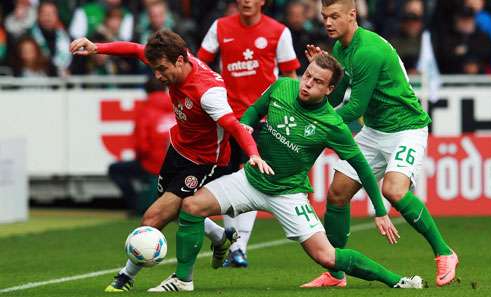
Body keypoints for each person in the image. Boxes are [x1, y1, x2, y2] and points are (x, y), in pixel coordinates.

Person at [145, 55, 423, 292]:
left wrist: (380, 209)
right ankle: (183, 280)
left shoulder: (332, 125)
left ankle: (398, 281)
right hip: (251, 179)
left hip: (288, 193)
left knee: (326, 256)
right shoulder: (282, 87)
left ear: (330, 90)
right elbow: (254, 110)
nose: (308, 84)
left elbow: (361, 166)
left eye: (317, 82)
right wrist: (247, 126)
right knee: (192, 206)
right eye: (308, 76)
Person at [69, 28, 273, 292]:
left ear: (180, 61)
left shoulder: (209, 93)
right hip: (178, 148)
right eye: (154, 68)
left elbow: (233, 126)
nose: (157, 75)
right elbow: (133, 49)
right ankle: (221, 236)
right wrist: (96, 47)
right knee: (174, 210)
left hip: (203, 159)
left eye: (161, 69)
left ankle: (126, 277)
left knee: (153, 216)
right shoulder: (170, 57)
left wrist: (253, 153)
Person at [302, 0, 458, 288]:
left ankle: (445, 252)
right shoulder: (340, 50)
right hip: (374, 130)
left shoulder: (368, 51)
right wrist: (322, 80)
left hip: (406, 128)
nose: (328, 22)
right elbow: (336, 100)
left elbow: (353, 107)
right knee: (336, 194)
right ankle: (336, 274)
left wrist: (311, 122)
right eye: (325, 17)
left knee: (393, 190)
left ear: (353, 15)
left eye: (335, 16)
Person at [197, 0, 300, 268]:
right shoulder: (219, 27)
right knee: (228, 179)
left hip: (264, 119)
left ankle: (239, 246)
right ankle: (234, 244)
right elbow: (200, 65)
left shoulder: (279, 31)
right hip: (227, 118)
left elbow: (290, 75)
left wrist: (291, 112)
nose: (246, 1)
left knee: (251, 179)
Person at [107, 78, 173, 217]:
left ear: (147, 92)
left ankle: (135, 205)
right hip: (176, 163)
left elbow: (141, 145)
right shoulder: (176, 107)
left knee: (115, 170)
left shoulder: (145, 110)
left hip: (152, 164)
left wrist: (143, 159)